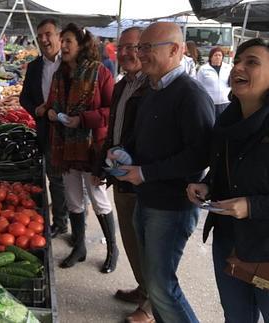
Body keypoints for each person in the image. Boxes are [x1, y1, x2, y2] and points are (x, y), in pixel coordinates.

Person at [110, 22, 215, 322]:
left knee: (162, 288)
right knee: (154, 283)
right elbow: (140, 135)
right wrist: (122, 151)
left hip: (170, 207)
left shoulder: (191, 95)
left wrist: (146, 173)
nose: (140, 54)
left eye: (146, 48)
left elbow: (199, 156)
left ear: (174, 50)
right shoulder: (153, 89)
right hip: (148, 200)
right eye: (139, 47)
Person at [186, 38, 269, 323]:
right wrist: (207, 185)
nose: (239, 67)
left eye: (252, 62)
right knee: (235, 316)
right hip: (227, 240)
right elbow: (221, 172)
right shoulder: (227, 121)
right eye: (239, 61)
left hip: (265, 248)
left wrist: (251, 206)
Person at [39, 23, 117, 272]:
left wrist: (82, 119)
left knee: (98, 198)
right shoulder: (59, 75)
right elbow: (50, 103)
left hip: (92, 147)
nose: (62, 46)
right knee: (73, 198)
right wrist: (51, 112)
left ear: (82, 44)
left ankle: (112, 250)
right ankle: (79, 247)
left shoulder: (101, 73)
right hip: (64, 147)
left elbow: (110, 111)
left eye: (68, 41)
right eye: (62, 41)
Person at [97, 27, 154, 323]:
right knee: (131, 239)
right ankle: (143, 288)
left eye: (136, 47)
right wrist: (104, 163)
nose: (129, 53)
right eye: (123, 48)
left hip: (142, 178)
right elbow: (113, 128)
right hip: (120, 174)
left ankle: (151, 304)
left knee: (148, 244)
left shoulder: (154, 87)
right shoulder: (122, 85)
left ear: (146, 49)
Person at [20, 19, 71, 240]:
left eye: (48, 34)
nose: (43, 39)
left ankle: (73, 219)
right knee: (55, 178)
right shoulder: (34, 67)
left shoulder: (71, 63)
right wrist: (37, 110)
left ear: (59, 36)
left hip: (71, 131)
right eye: (40, 36)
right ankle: (60, 222)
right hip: (46, 130)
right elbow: (24, 98)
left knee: (75, 182)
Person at [196, 47, 231, 117]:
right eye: (215, 55)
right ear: (211, 57)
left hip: (225, 102)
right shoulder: (203, 69)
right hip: (209, 102)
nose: (218, 57)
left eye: (220, 55)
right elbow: (198, 86)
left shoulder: (228, 68)